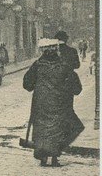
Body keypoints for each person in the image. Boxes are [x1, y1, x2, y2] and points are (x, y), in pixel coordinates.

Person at [22, 38, 84, 167]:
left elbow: (27, 84)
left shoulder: (37, 65)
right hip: (60, 103)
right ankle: (55, 156)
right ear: (57, 50)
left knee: (42, 129)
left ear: (42, 51)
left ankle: (43, 156)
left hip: (41, 104)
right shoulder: (65, 66)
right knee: (59, 128)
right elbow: (77, 88)